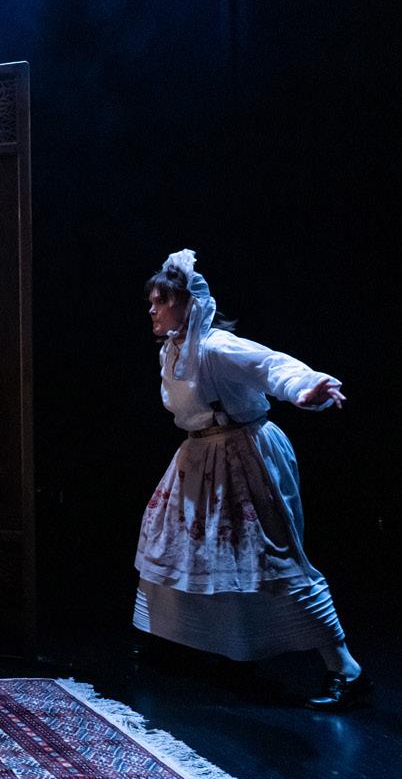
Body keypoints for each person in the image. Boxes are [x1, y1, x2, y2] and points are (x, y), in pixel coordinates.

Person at [134, 249, 369, 710]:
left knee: (272, 558)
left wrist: (306, 388)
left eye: (161, 301)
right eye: (152, 302)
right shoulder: (172, 351)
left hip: (243, 454)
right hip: (200, 456)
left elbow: (271, 366)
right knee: (182, 551)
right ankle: (215, 649)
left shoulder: (216, 347)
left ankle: (346, 669)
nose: (153, 310)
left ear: (187, 304)